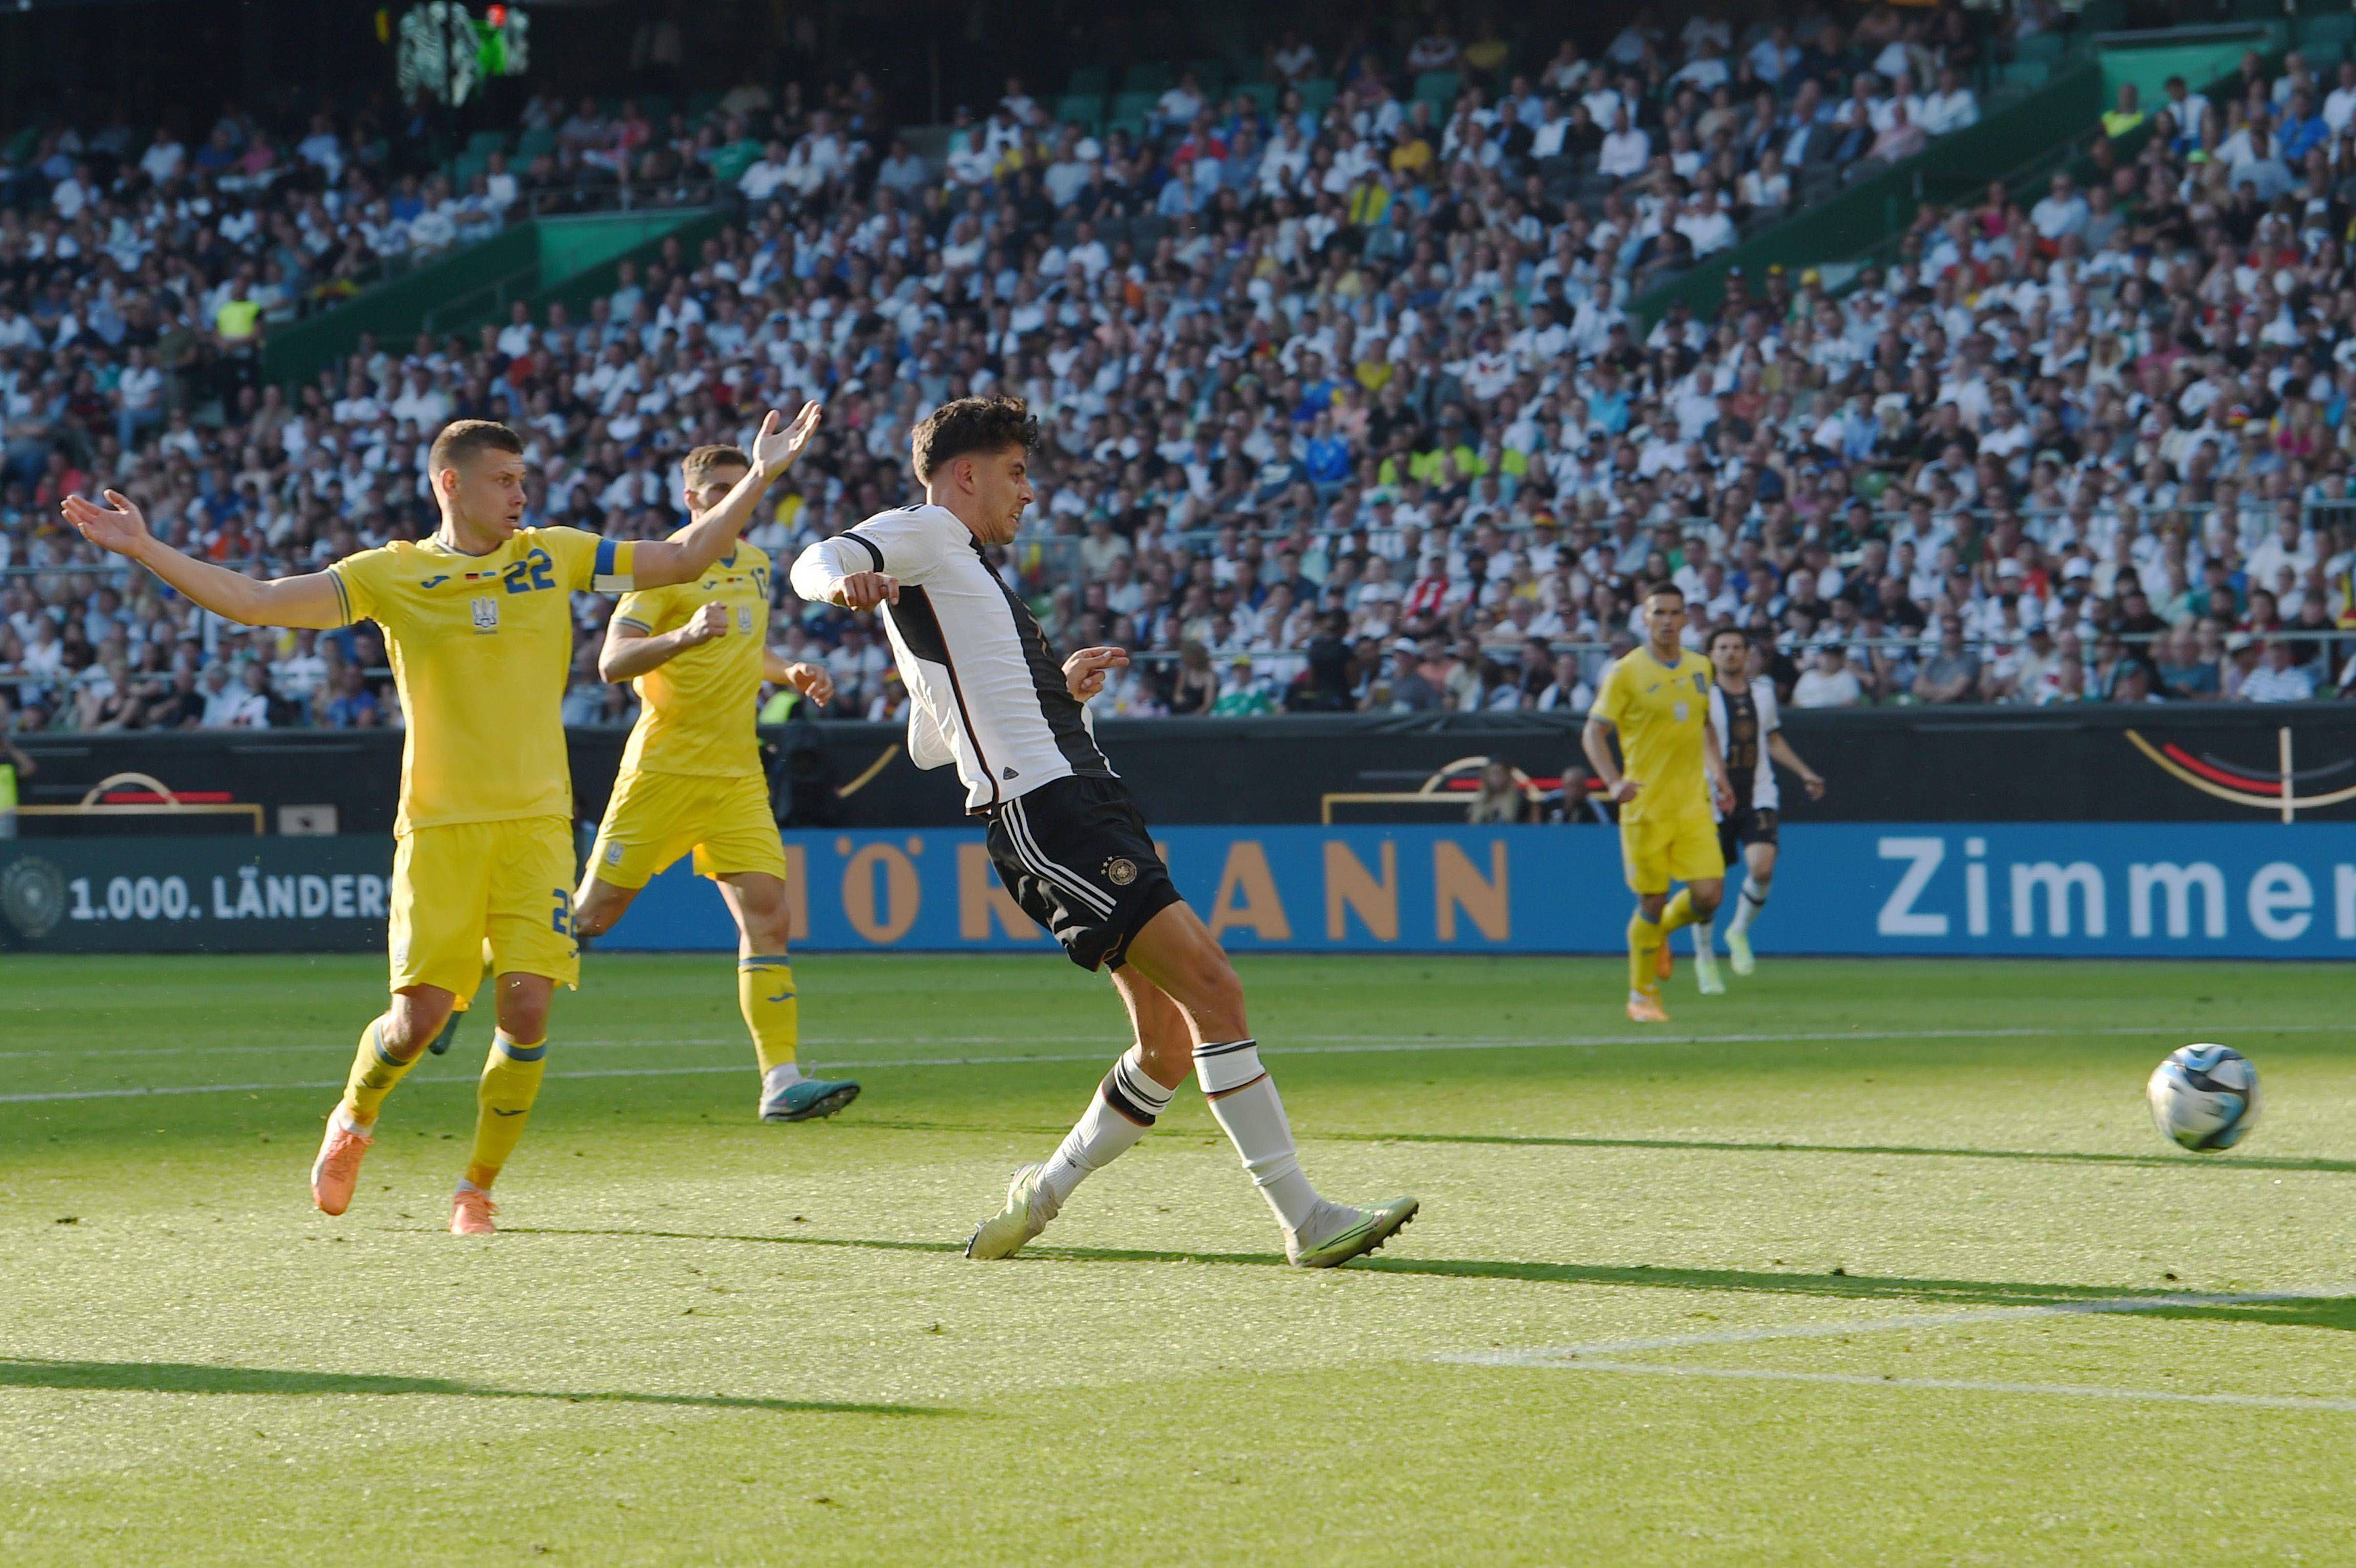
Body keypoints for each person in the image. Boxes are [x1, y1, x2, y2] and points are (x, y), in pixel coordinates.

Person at [61, 407, 823, 1236]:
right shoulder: (390, 574)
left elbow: (684, 554)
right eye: (503, 481)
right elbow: (256, 600)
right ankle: (354, 1117)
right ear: (449, 484)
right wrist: (144, 547)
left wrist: (759, 477)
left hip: (535, 826)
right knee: (417, 1019)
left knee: (527, 1008)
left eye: (523, 480)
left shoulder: (556, 554)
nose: (519, 495)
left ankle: (476, 1189)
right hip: (439, 830)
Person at [788, 395, 1416, 1268]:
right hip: (1050, 811)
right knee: (1216, 992)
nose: (1029, 493)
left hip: (1080, 797)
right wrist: (840, 582)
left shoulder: (963, 573)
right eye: (1016, 472)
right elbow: (813, 560)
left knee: (1161, 1043)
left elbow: (931, 740)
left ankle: (1035, 1202)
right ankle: (1305, 1219)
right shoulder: (924, 533)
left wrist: (1057, 688)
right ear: (963, 475)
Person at [570, 440, 860, 1124]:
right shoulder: (661, 568)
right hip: (663, 773)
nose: (739, 499)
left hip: (734, 775)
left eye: (744, 486)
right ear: (694, 500)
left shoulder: (756, 566)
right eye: (723, 489)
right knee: (590, 920)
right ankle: (473, 972)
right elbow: (611, 661)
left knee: (768, 915)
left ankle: (780, 1081)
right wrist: (684, 638)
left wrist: (788, 671)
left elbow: (747, 646)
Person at [1581, 584, 1734, 1022]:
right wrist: (1612, 782)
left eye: (1674, 612)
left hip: (1691, 805)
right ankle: (1640, 994)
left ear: (1685, 619)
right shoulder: (1625, 672)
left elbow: (1704, 725)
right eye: (1658, 613)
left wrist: (1718, 774)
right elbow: (1593, 732)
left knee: (1708, 896)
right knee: (1650, 900)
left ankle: (1661, 932)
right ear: (1644, 620)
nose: (1667, 620)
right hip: (1645, 808)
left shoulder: (1701, 666)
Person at [1699, 626, 1826, 980]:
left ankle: (1738, 930)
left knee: (1763, 867)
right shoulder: (1702, 697)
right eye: (1722, 647)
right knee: (1709, 887)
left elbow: (1772, 740)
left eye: (1737, 647)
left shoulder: (1762, 693)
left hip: (1758, 792)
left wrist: (1805, 772)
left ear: (1747, 654)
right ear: (1711, 655)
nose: (1730, 653)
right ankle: (1705, 956)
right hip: (1712, 798)